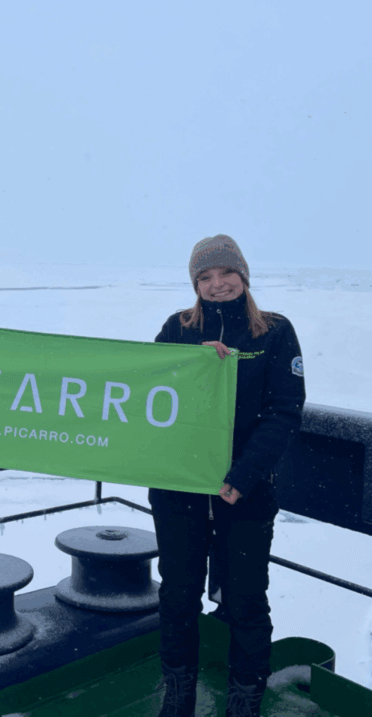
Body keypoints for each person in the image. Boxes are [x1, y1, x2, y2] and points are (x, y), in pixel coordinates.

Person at [150, 235, 305, 717]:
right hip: (180, 490)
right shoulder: (177, 328)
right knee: (177, 595)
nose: (217, 284)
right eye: (205, 277)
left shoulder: (274, 332)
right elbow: (149, 391)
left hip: (247, 493)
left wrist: (243, 476)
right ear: (195, 283)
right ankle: (178, 694)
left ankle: (244, 698)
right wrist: (192, 363)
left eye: (225, 273)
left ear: (244, 275)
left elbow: (284, 411)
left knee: (245, 600)